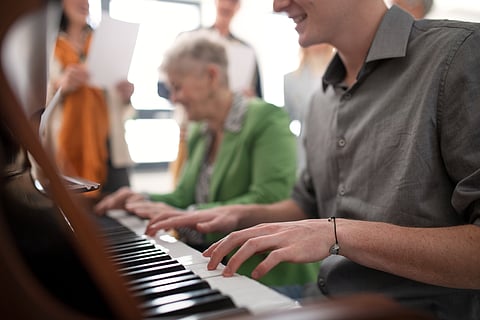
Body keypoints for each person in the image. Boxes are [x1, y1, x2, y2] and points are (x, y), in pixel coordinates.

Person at [136, 1, 480, 319]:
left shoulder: (460, 56)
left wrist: (337, 233)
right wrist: (234, 213)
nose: (277, 4)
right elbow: (306, 204)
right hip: (319, 300)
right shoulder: (321, 100)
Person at [95, 30, 319, 294]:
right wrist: (139, 199)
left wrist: (190, 215)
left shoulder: (267, 119)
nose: (174, 98)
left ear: (211, 76)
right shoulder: (201, 131)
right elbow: (183, 197)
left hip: (268, 275)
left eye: (177, 87)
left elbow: (270, 198)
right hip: (216, 267)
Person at [163, 0, 263, 186]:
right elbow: (164, 87)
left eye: (233, 1)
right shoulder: (189, 41)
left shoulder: (246, 50)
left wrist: (249, 98)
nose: (227, 5)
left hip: (231, 136)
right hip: (189, 131)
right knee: (186, 188)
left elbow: (259, 97)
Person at [45, 0, 135, 200]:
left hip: (110, 148)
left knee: (120, 210)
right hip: (67, 149)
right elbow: (33, 104)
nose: (84, 2)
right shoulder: (48, 45)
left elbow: (118, 105)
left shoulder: (102, 41)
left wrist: (126, 94)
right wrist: (60, 86)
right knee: (76, 220)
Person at [283, 44, 335, 173]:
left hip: (336, 147)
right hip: (305, 152)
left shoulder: (343, 74)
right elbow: (285, 120)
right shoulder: (290, 80)